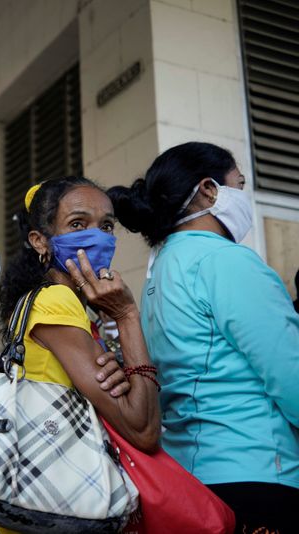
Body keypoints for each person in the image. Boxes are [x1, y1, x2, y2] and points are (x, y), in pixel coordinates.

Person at [108, 141, 299, 533]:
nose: (243, 196)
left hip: (189, 479)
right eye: (239, 184)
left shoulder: (159, 272)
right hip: (258, 469)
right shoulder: (226, 260)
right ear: (209, 190)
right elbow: (289, 373)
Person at [0, 177, 161, 534]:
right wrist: (128, 316)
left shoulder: (72, 307)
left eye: (107, 226)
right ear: (41, 241)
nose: (97, 237)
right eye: (78, 224)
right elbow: (142, 430)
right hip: (59, 509)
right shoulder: (58, 301)